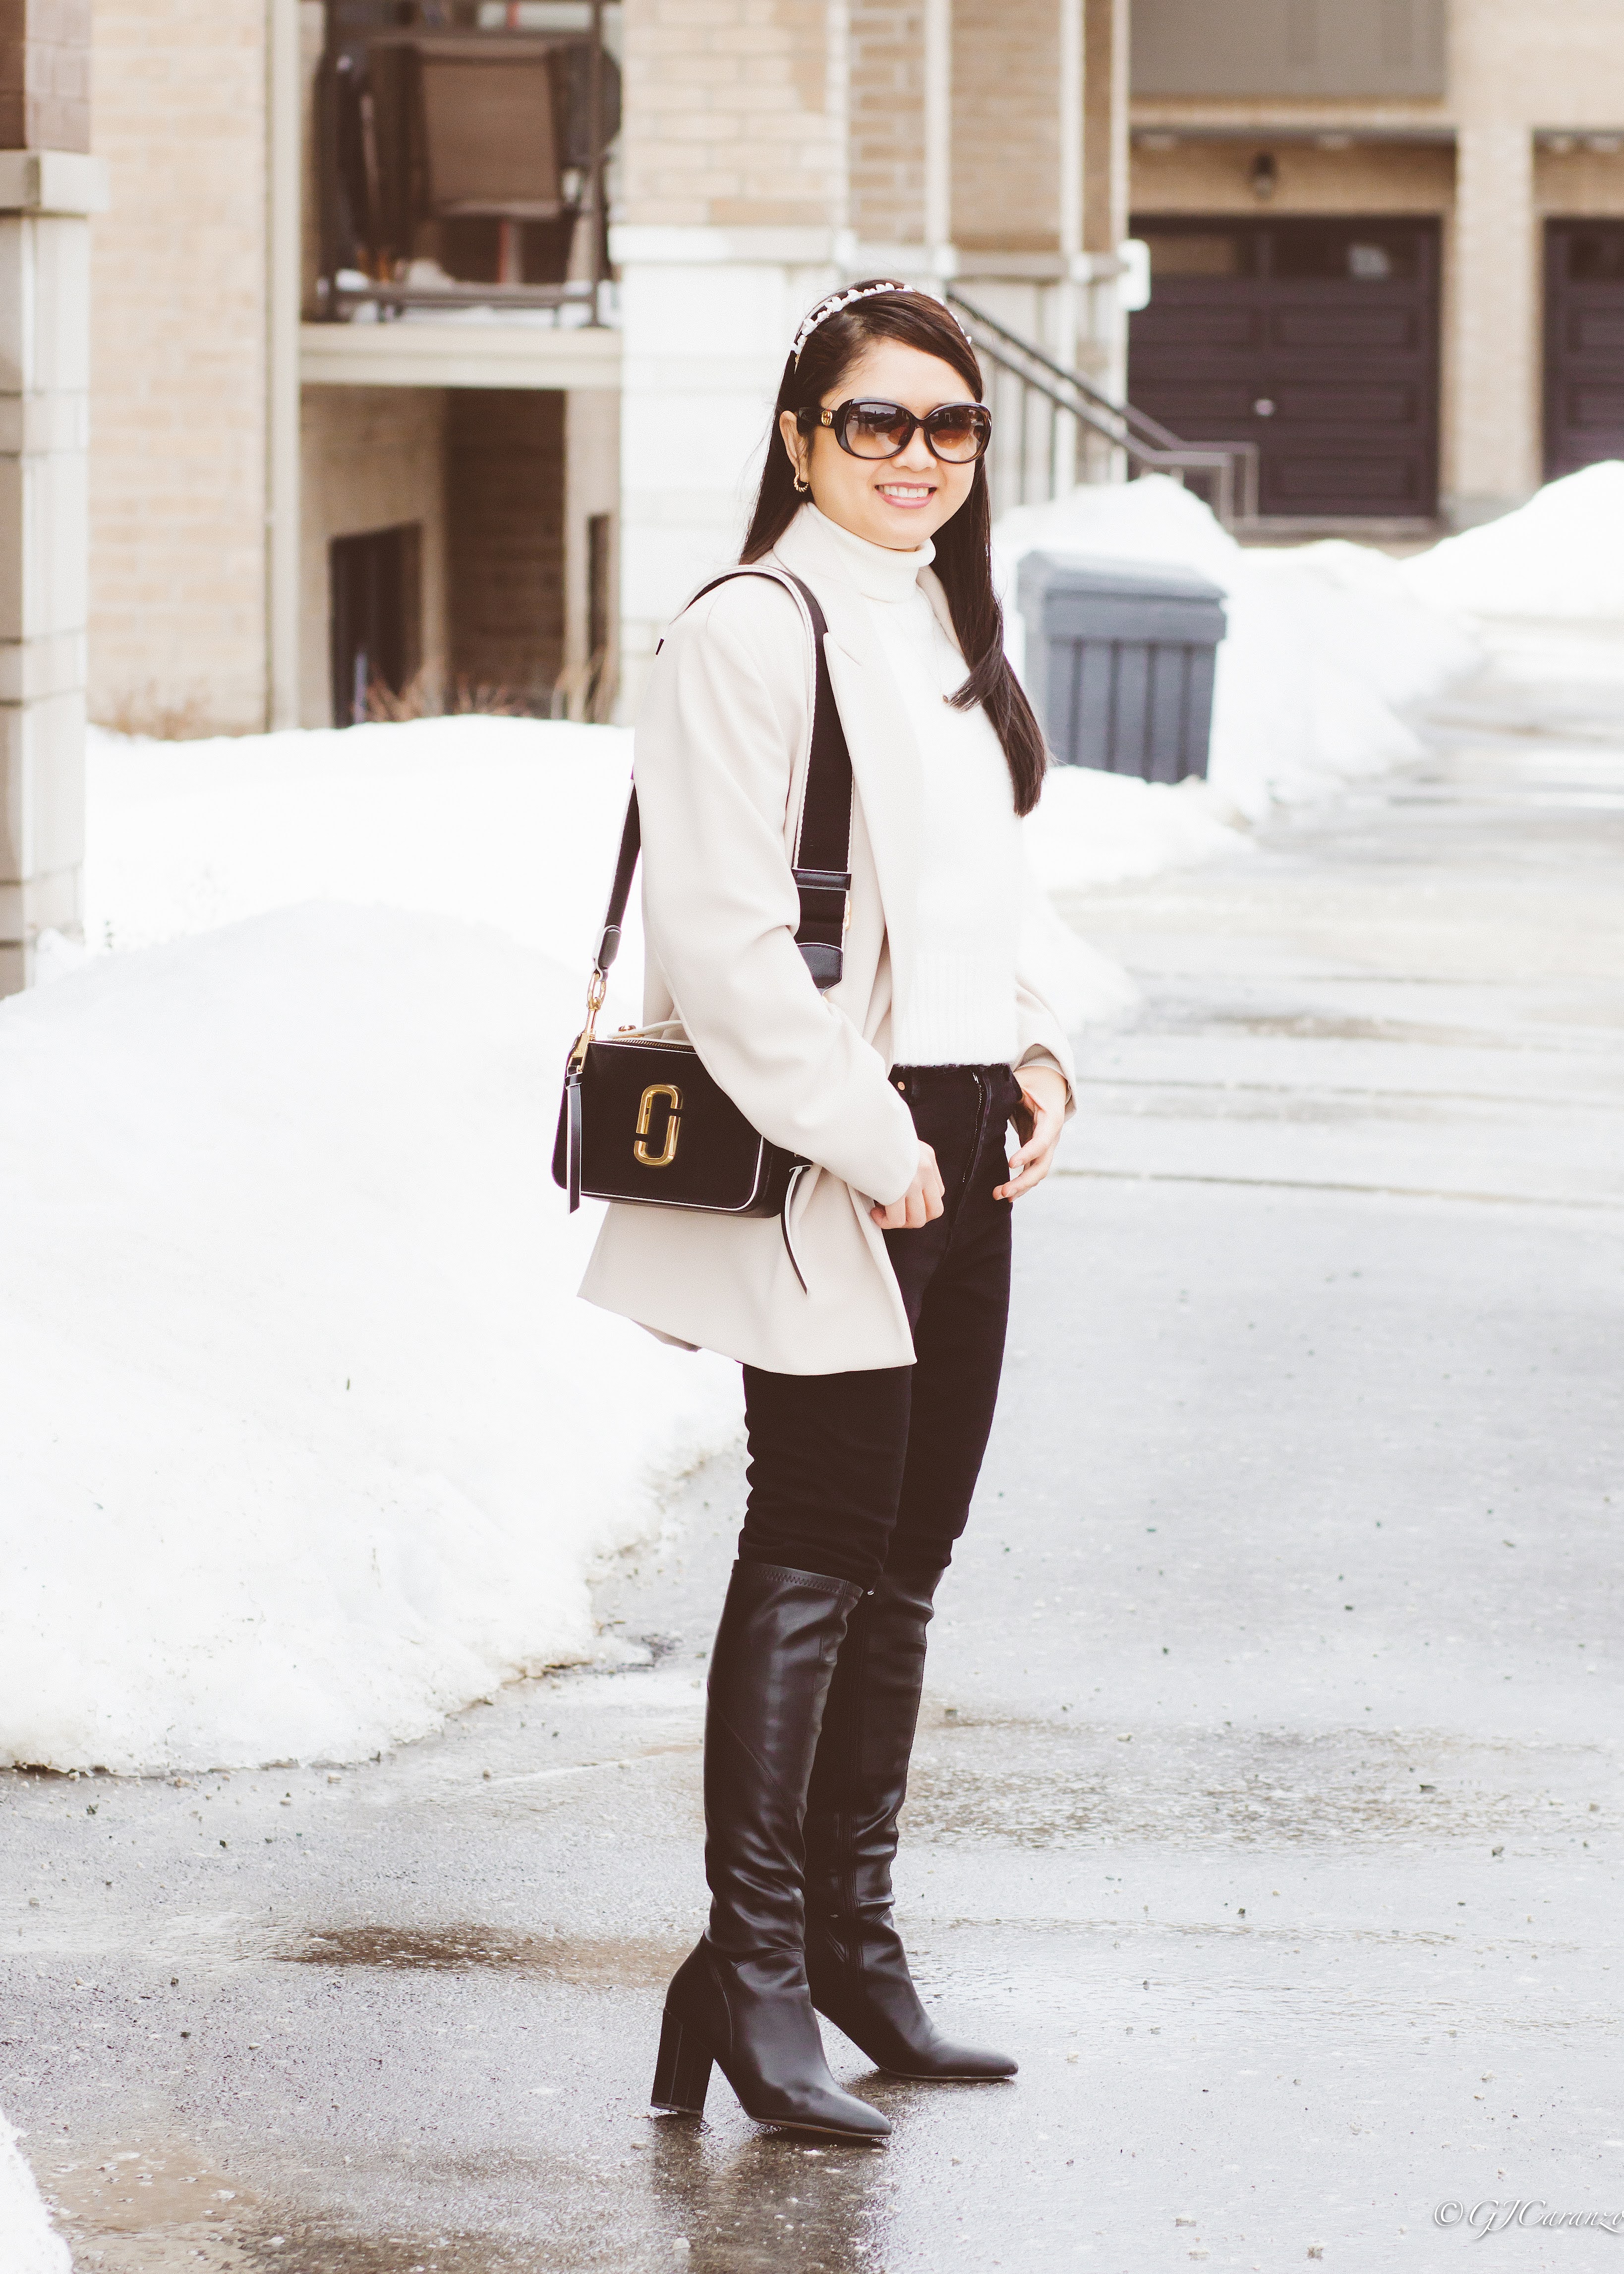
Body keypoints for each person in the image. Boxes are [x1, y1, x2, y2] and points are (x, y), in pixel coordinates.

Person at [579, 281, 1076, 2142]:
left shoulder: (945, 621)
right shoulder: (750, 628)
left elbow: (968, 907)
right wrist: (867, 1134)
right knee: (814, 1540)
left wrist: (1034, 1059)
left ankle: (845, 1950)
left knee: (908, 1559)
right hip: (828, 1148)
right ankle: (754, 1973)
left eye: (951, 427)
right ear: (800, 437)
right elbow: (717, 938)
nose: (918, 458)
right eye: (876, 422)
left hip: (959, 1133)